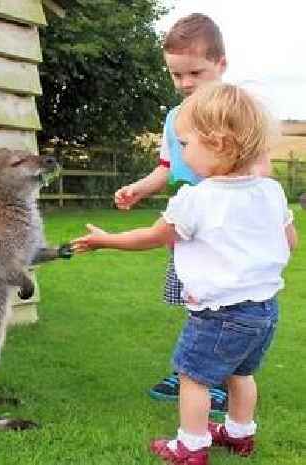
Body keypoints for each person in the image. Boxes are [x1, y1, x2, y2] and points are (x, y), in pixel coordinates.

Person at [73, 83, 297, 464]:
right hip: (264, 310)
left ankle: (190, 447)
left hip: (219, 313)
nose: (182, 152)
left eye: (187, 142)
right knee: (242, 374)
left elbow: (154, 236)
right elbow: (289, 241)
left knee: (194, 377)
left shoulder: (196, 198)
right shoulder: (271, 192)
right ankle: (240, 435)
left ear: (219, 144)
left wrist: (106, 240)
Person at [115, 13, 235, 413]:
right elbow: (167, 170)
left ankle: (215, 381)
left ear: (221, 64)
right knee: (195, 301)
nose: (185, 84)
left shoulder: (235, 111)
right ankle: (191, 371)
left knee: (226, 304)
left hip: (226, 227)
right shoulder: (173, 119)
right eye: (176, 75)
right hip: (188, 224)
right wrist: (138, 188)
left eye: (195, 73)